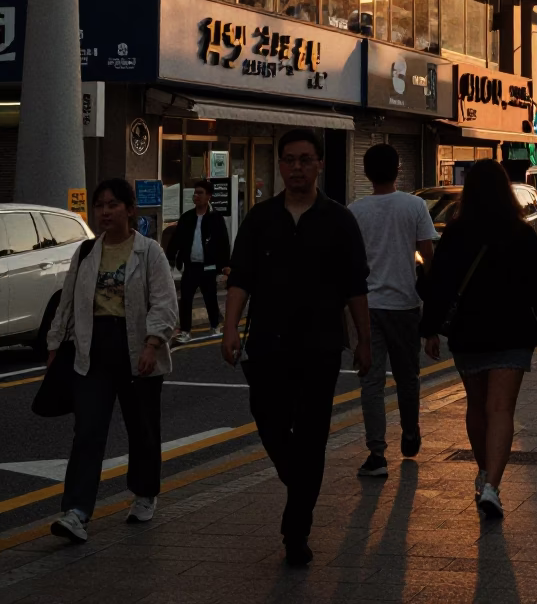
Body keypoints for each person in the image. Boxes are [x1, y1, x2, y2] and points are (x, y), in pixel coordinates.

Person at [222, 128, 371, 567]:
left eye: (306, 159)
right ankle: (297, 479)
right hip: (268, 342)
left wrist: (363, 340)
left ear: (320, 164)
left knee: (311, 435)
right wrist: (230, 329)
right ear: (281, 165)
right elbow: (240, 279)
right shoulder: (260, 218)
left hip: (320, 345)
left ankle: (296, 529)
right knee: (267, 418)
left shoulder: (340, 220)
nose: (298, 168)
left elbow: (355, 287)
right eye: (290, 160)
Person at [421, 160, 537, 520]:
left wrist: (430, 328)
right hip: (513, 331)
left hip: (470, 332)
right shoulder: (521, 232)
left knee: (477, 406)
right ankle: (493, 487)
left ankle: (484, 474)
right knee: (500, 409)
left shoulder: (454, 233)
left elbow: (440, 284)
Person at [47, 179, 178, 543]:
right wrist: (56, 343)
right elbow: (68, 302)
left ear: (130, 210)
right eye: (100, 205)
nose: (105, 211)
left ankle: (145, 492)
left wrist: (153, 344)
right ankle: (76, 512)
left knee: (143, 429)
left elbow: (166, 302)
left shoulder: (150, 252)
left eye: (113, 204)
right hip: (94, 350)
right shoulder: (87, 252)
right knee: (87, 432)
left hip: (137, 349)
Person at [349, 143, 438, 479]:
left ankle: (376, 453)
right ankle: (411, 431)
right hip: (405, 305)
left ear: (367, 173)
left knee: (371, 382)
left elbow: (349, 265)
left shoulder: (355, 211)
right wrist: (431, 319)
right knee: (407, 378)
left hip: (367, 308)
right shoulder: (414, 206)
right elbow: (428, 260)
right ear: (398, 170)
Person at [166, 180, 231, 343]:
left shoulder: (216, 218)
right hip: (190, 265)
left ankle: (215, 325)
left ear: (209, 196)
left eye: (200, 193)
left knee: (210, 296)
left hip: (208, 265)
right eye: (195, 193)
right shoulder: (187, 218)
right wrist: (171, 258)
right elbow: (176, 240)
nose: (196, 196)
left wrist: (225, 266)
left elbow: (223, 243)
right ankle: (186, 331)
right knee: (186, 298)